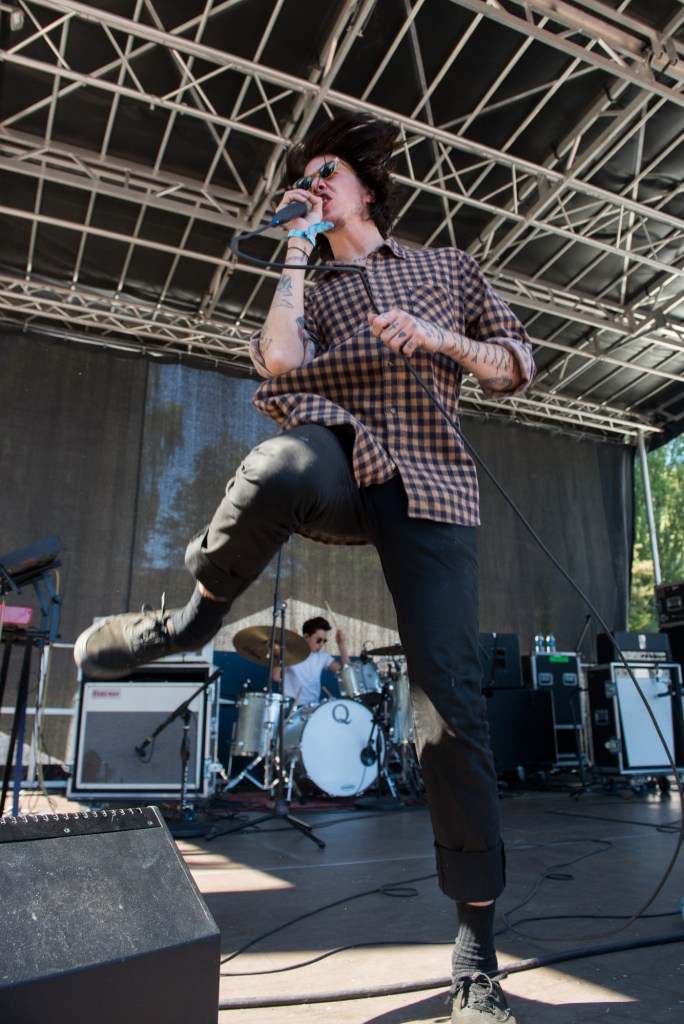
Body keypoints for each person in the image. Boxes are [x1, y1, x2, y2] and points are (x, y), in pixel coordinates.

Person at [74, 111, 535, 1022]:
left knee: (450, 703)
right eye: (302, 178)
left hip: (433, 489)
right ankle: (187, 625)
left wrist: (442, 340)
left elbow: (517, 362)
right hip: (347, 464)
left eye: (324, 172)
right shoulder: (315, 286)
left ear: (365, 182)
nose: (313, 184)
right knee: (281, 462)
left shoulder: (447, 269)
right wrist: (293, 251)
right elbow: (282, 363)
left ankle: (475, 958)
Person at [274, 615, 350, 706]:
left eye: (324, 641)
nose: (321, 645)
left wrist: (341, 645)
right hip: (290, 708)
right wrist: (288, 646)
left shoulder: (322, 656)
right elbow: (276, 677)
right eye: (318, 640)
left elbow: (347, 671)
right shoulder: (290, 654)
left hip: (312, 709)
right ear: (306, 636)